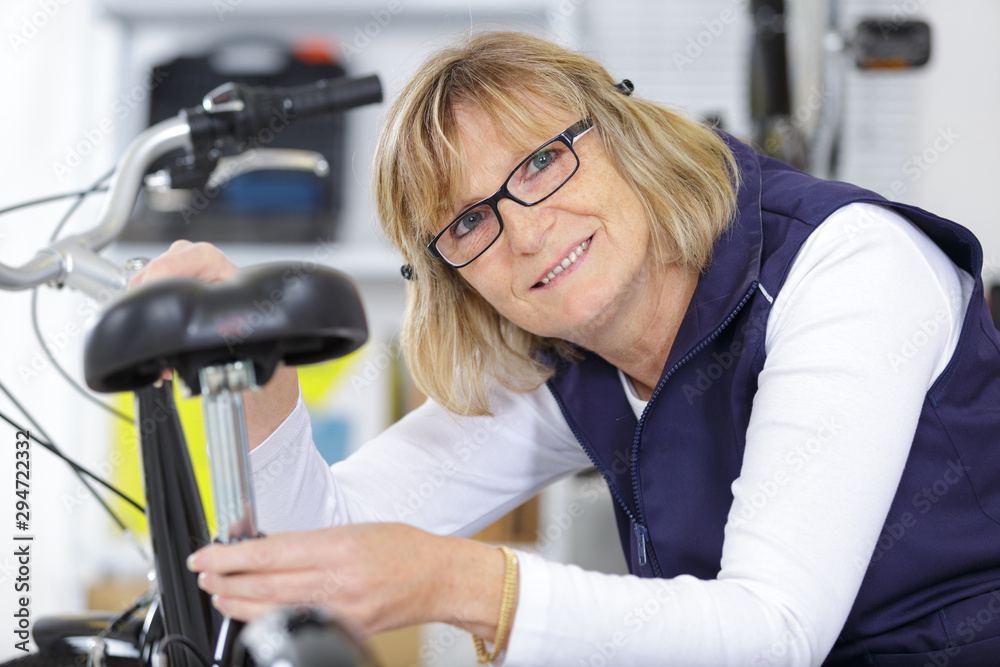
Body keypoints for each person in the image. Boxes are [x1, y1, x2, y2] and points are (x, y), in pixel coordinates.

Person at [133, 31, 1000, 666]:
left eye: (543, 162)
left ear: (620, 134)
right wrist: (257, 377)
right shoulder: (568, 352)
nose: (525, 231)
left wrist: (465, 583)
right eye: (469, 220)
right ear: (453, 273)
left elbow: (774, 633)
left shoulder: (846, 267)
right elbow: (319, 555)